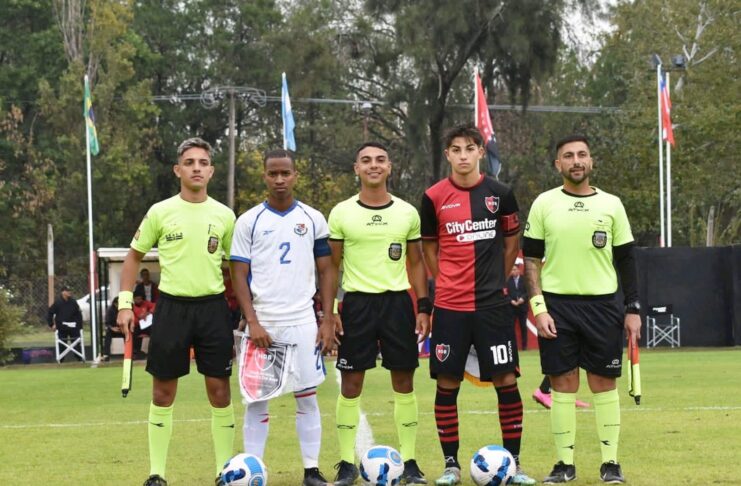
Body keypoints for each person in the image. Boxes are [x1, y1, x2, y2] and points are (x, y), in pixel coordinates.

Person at [420, 124, 535, 486]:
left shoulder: (501, 194)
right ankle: (450, 466)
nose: (463, 156)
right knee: (447, 382)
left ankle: (514, 464)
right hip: (450, 307)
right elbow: (429, 248)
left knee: (506, 380)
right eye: (456, 149)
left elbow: (511, 243)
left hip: (492, 307)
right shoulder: (433, 197)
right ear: (448, 155)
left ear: (481, 152)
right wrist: (446, 281)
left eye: (470, 148)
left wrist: (495, 280)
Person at [117, 137, 236, 486]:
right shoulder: (160, 211)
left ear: (211, 171)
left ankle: (225, 471)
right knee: (162, 393)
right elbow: (133, 258)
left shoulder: (225, 215)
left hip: (213, 309)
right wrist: (125, 305)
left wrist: (252, 308)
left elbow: (238, 266)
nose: (196, 168)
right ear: (177, 170)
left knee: (220, 392)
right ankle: (157, 473)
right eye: (189, 162)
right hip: (172, 308)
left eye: (203, 163)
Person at [522, 134, 641, 484]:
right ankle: (564, 464)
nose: (576, 161)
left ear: (591, 161)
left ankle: (610, 464)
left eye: (582, 154)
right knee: (563, 384)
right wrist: (539, 308)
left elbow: (627, 259)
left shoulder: (612, 204)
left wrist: (632, 308)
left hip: (603, 305)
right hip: (557, 306)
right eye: (569, 156)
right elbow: (531, 261)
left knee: (603, 383)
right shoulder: (544, 203)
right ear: (558, 164)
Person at [229, 149, 337, 486]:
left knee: (307, 397)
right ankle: (253, 470)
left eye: (285, 173)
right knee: (257, 401)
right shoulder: (248, 221)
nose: (279, 179)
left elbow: (327, 270)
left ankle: (311, 470)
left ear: (295, 175)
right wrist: (253, 320)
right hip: (264, 323)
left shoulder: (313, 218)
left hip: (303, 321)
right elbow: (238, 275)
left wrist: (327, 318)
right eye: (273, 173)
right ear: (264, 176)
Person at [328, 142, 431, 486]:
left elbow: (416, 262)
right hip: (357, 304)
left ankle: (411, 461)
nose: (374, 165)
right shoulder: (341, 212)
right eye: (366, 160)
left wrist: (423, 306)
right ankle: (346, 463)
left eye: (380, 160)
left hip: (397, 305)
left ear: (389, 167)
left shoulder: (407, 213)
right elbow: (331, 266)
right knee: (351, 384)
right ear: (356, 168)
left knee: (404, 382)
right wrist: (331, 310)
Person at [47, 285, 83, 361]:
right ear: (62, 292)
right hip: (62, 327)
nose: (69, 292)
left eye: (70, 291)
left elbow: (78, 314)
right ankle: (61, 359)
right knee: (62, 344)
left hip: (74, 327)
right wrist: (51, 324)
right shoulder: (58, 303)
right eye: (67, 291)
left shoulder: (73, 302)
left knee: (76, 343)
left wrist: (80, 326)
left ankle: (80, 359)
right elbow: (50, 313)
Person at [507, 265, 529, 350]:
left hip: (522, 307)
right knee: (511, 327)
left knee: (523, 327)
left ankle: (524, 346)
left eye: (515, 269)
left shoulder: (524, 279)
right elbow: (505, 293)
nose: (513, 271)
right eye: (512, 270)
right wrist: (511, 301)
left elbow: (528, 291)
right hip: (512, 308)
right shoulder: (508, 280)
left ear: (519, 270)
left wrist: (523, 298)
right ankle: (512, 346)